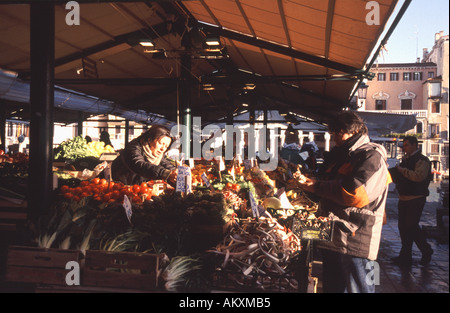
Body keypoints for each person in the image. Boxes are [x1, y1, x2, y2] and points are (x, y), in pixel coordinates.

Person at [295, 111, 390, 293]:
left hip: (358, 241)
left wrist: (317, 187)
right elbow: (326, 187)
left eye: (337, 133)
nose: (334, 138)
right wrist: (308, 185)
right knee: (332, 288)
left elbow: (355, 194)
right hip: (334, 237)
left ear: (352, 130)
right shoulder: (344, 154)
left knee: (361, 288)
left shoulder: (372, 156)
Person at [388, 136, 433, 267]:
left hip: (416, 198)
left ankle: (426, 250)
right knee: (403, 227)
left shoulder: (422, 160)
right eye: (404, 145)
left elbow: (418, 176)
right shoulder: (406, 159)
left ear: (414, 145)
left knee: (411, 226)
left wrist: (402, 171)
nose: (404, 148)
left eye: (406, 145)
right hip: (404, 197)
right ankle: (405, 256)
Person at [110, 125, 177, 186]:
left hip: (135, 189)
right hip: (114, 186)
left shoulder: (159, 155)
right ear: (150, 139)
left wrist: (176, 172)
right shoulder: (133, 148)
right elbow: (139, 164)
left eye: (166, 146)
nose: (163, 149)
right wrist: (164, 173)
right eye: (161, 143)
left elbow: (165, 164)